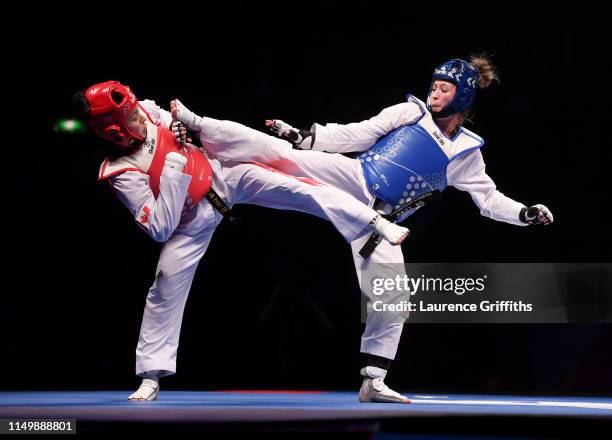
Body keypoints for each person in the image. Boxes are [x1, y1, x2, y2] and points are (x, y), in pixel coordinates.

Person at [170, 55, 554, 403]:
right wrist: (307, 137)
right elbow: (358, 133)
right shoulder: (410, 113)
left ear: (463, 96)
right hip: (353, 177)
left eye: (443, 89)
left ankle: (374, 380)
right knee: (284, 155)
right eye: (434, 86)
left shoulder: (466, 153)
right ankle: (198, 126)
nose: (434, 93)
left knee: (395, 295)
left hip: (380, 220)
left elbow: (488, 199)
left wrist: (523, 213)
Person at [77, 80, 411, 401]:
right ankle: (150, 376)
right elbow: (160, 229)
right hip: (191, 219)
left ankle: (375, 221)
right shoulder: (121, 172)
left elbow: (168, 122)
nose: (142, 118)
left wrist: (179, 127)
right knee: (164, 286)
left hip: (224, 175)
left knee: (302, 188)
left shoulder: (146, 111)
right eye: (132, 118)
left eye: (137, 111)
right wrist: (172, 172)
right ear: (113, 132)